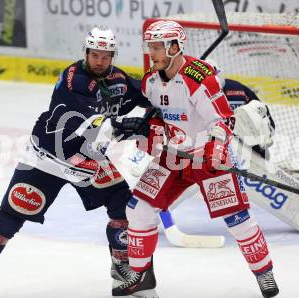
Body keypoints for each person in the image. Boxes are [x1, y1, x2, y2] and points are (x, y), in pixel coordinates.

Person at [0, 27, 152, 298]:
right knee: (11, 216)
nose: (100, 61)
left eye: (106, 56)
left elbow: (148, 94)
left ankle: (122, 272)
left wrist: (167, 92)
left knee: (122, 206)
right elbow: (78, 119)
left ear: (112, 56)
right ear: (85, 53)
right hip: (46, 159)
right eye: (95, 55)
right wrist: (120, 124)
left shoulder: (117, 78)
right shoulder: (74, 79)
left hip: (87, 160)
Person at [111, 20, 280, 298]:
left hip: (208, 160)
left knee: (238, 220)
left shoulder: (198, 77)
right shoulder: (151, 81)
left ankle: (265, 274)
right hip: (173, 157)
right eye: (150, 47)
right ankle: (141, 276)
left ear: (175, 47)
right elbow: (159, 118)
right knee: (137, 209)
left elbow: (224, 118)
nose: (152, 54)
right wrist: (142, 128)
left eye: (157, 48)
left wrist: (214, 147)